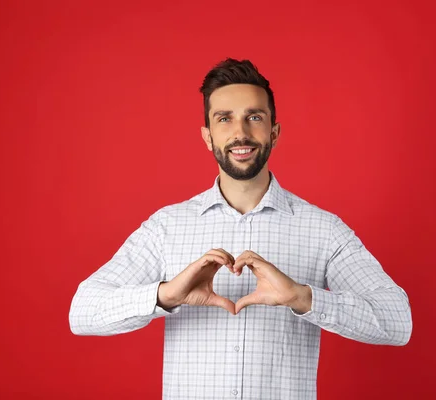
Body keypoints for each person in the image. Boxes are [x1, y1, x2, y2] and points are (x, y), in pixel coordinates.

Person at [69, 58, 413, 400]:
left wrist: (302, 297)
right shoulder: (166, 227)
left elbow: (397, 321)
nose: (241, 133)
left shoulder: (323, 229)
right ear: (208, 136)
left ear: (274, 132)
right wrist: (165, 296)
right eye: (224, 119)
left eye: (254, 117)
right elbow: (82, 312)